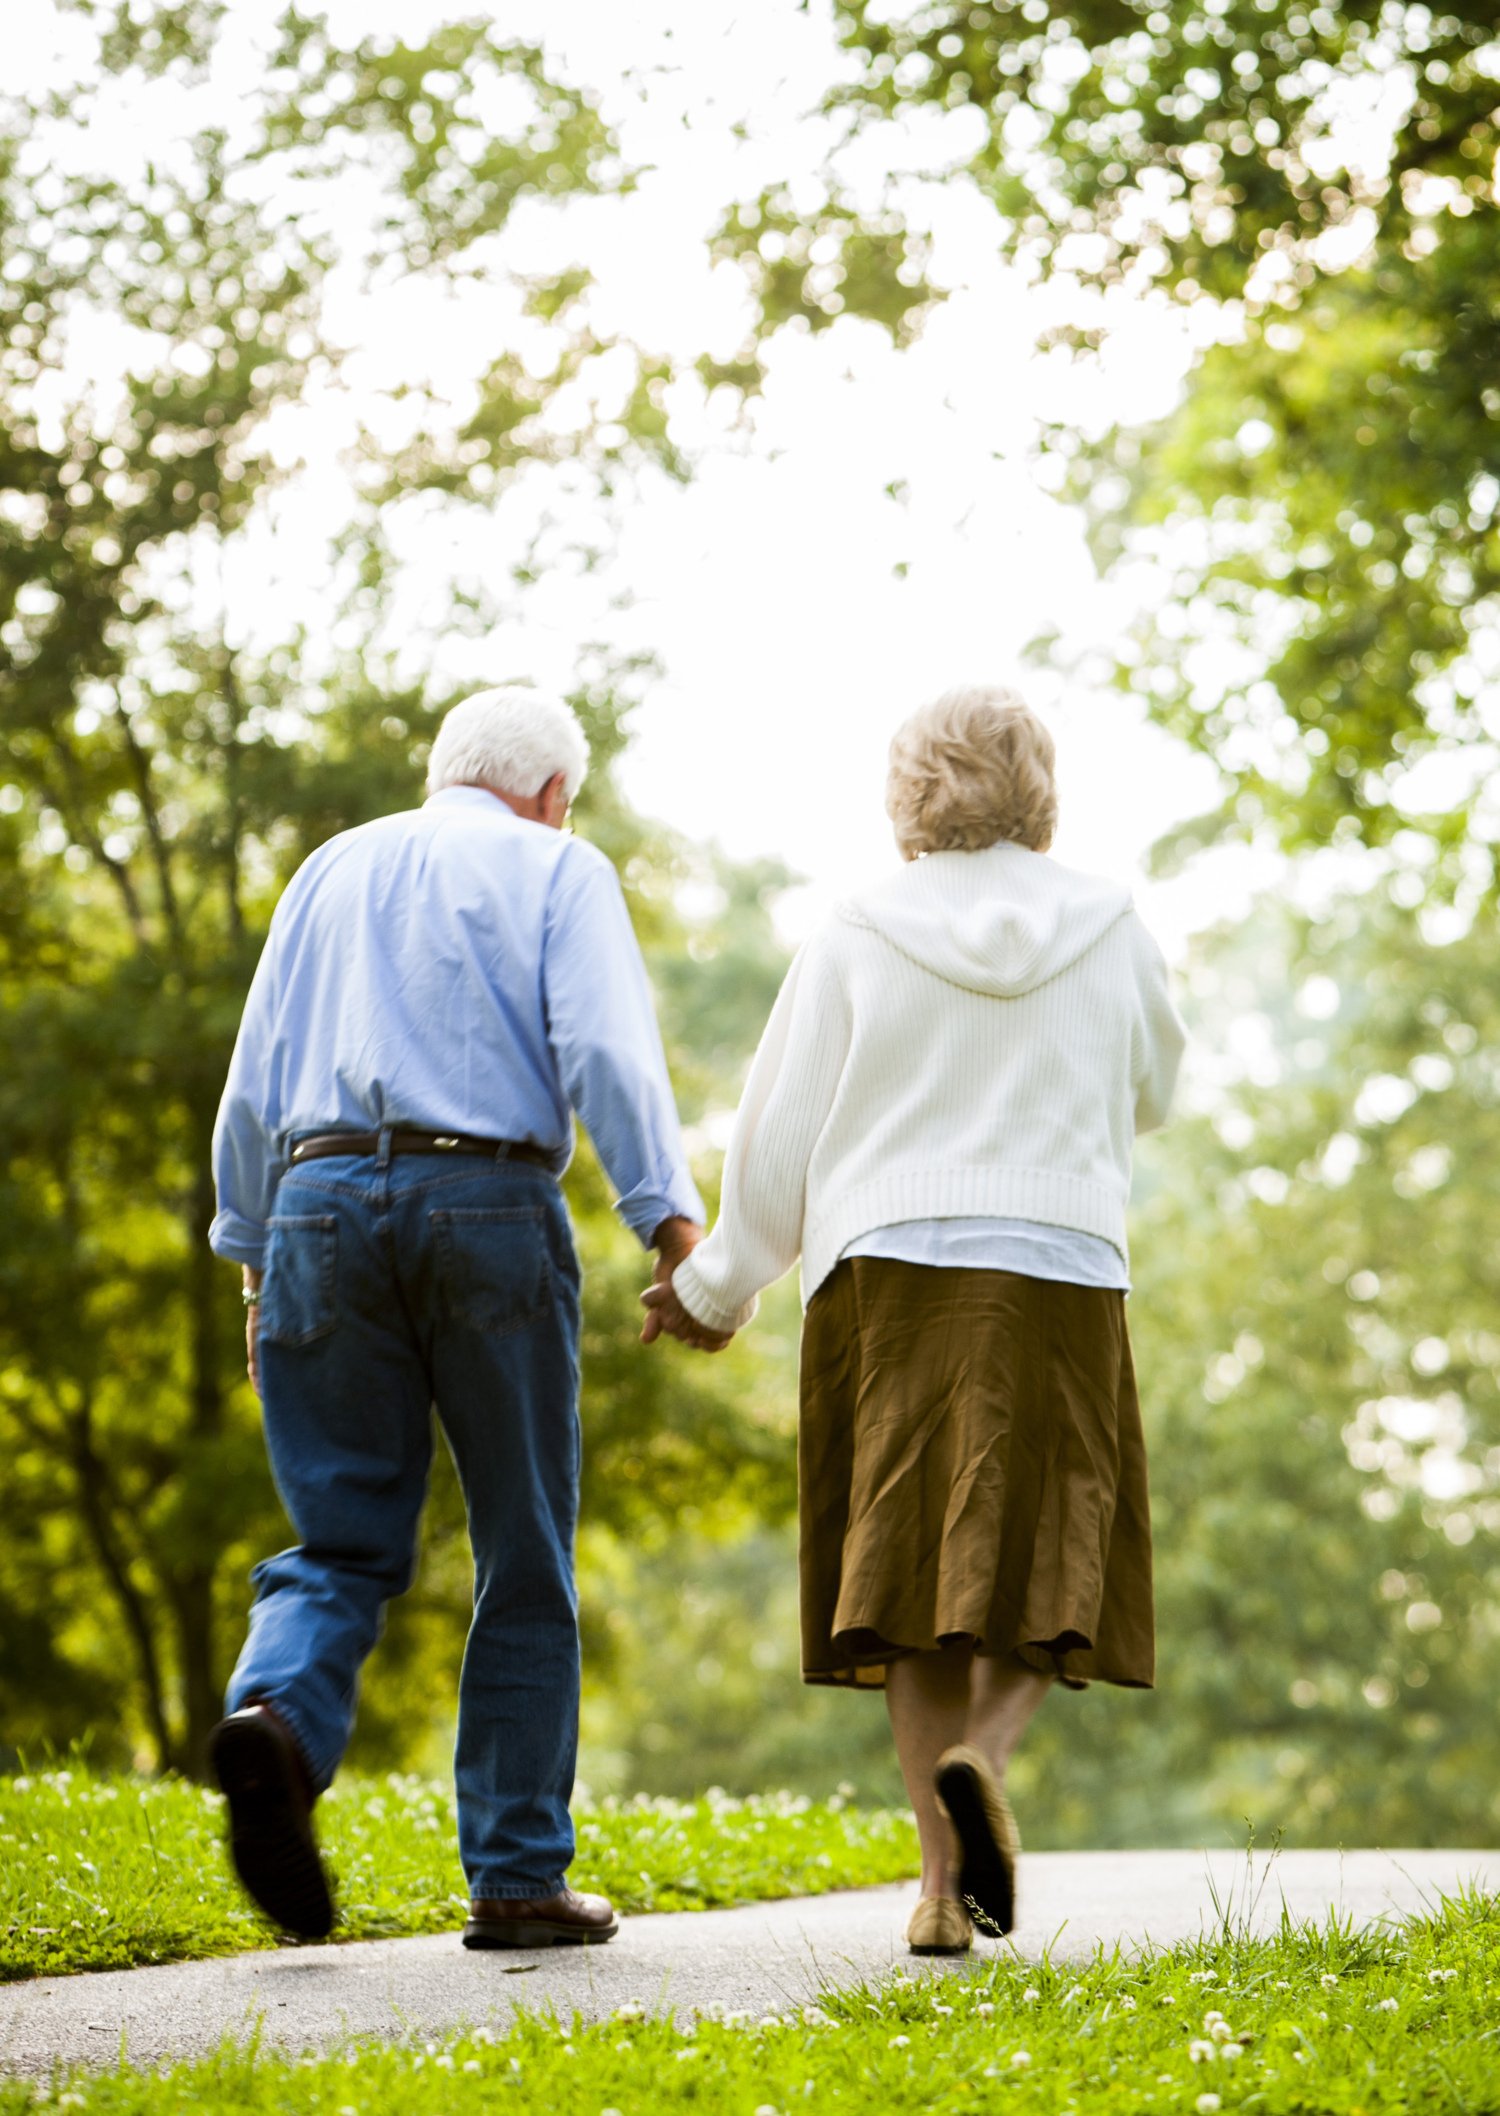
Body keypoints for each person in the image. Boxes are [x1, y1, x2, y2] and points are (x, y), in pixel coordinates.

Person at [643, 685, 1185, 1956]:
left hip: (891, 1273)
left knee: (910, 1581)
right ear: (1038, 784)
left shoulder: (858, 927)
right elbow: (1157, 1085)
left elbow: (781, 1131)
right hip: (1061, 1259)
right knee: (1059, 1552)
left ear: (911, 789)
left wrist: (719, 1286)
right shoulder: (1111, 922)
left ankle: (941, 1894)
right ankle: (984, 1755)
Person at [208, 685, 704, 1949]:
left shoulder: (330, 867)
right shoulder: (557, 865)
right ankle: (518, 1876)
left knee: (339, 1539)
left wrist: (254, 1258)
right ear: (551, 793)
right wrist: (668, 1221)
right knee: (522, 1550)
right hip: (483, 1200)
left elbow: (254, 1077)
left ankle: (274, 1720)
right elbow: (605, 1048)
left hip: (314, 1200)